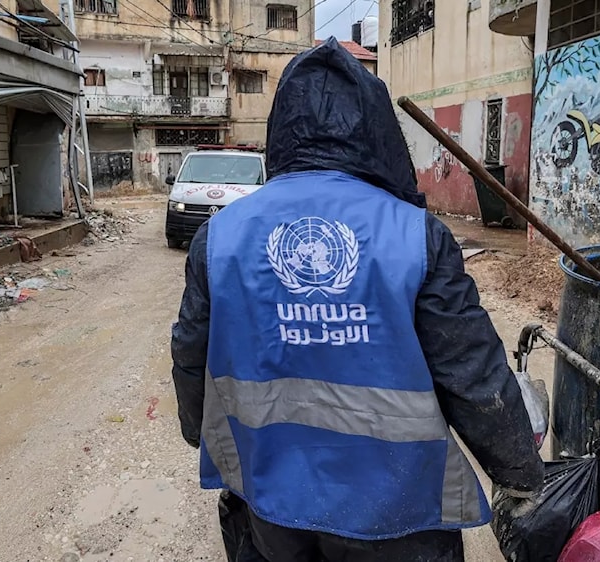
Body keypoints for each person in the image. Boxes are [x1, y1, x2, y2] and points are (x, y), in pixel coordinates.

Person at [171, 38, 545, 562]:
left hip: (271, 504)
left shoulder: (220, 237)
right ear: (375, 131)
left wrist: (196, 430)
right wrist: (519, 470)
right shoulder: (416, 235)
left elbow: (192, 354)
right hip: (399, 516)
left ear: (281, 128)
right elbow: (472, 374)